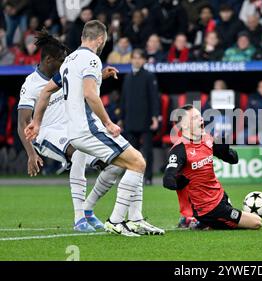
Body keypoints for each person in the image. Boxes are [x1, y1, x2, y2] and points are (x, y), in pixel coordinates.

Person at [25, 20, 165, 236]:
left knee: (131, 162)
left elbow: (45, 91)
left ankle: (134, 219)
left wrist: (36, 122)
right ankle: (116, 221)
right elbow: (89, 93)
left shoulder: (69, 61)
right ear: (100, 39)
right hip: (89, 129)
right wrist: (108, 122)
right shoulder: (92, 59)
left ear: (83, 37)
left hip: (75, 133)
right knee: (138, 162)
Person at [16, 29, 124, 233]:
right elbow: (23, 122)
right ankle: (79, 218)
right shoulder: (31, 85)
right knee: (80, 151)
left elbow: (83, 85)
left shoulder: (61, 74)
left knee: (114, 164)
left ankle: (88, 209)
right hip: (46, 134)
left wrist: (102, 75)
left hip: (71, 130)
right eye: (61, 60)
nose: (64, 63)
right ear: (49, 60)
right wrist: (31, 154)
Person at [163, 104, 262, 230]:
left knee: (242, 218)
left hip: (220, 196)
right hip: (207, 208)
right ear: (184, 125)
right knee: (256, 222)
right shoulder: (180, 150)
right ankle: (199, 220)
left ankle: (201, 223)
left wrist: (225, 150)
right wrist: (177, 181)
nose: (200, 119)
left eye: (200, 116)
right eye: (194, 118)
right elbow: (168, 180)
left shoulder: (207, 139)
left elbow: (233, 159)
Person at [120, 49, 160, 185]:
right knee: (131, 152)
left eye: (139, 58)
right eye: (134, 58)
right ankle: (133, 177)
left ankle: (148, 177)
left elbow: (154, 98)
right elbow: (124, 99)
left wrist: (155, 117)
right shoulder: (128, 77)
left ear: (144, 60)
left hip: (145, 120)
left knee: (147, 151)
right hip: (130, 120)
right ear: (131, 59)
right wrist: (121, 118)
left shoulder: (149, 76)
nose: (137, 60)